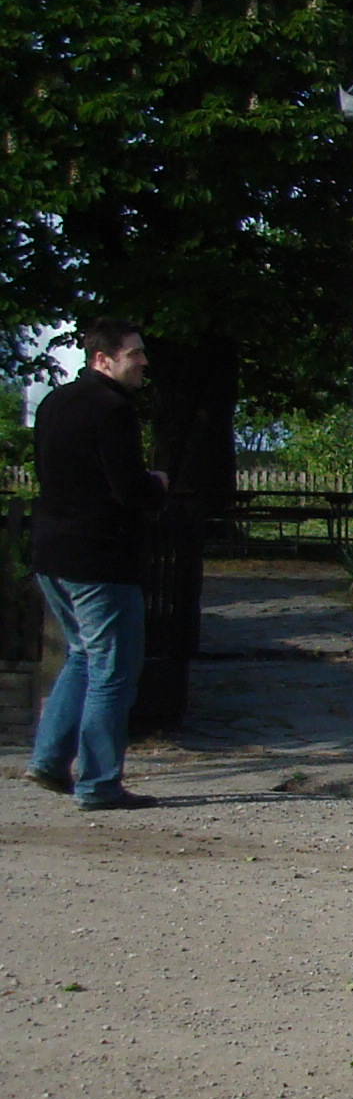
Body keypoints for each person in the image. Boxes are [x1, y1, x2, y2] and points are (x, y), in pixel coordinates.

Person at [26, 316, 165, 811]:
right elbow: (126, 488)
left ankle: (48, 759)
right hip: (100, 557)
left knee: (82, 657)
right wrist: (157, 485)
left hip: (52, 552)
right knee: (112, 671)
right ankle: (99, 783)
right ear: (103, 359)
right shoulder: (112, 410)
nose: (144, 361)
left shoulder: (54, 402)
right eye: (135, 354)